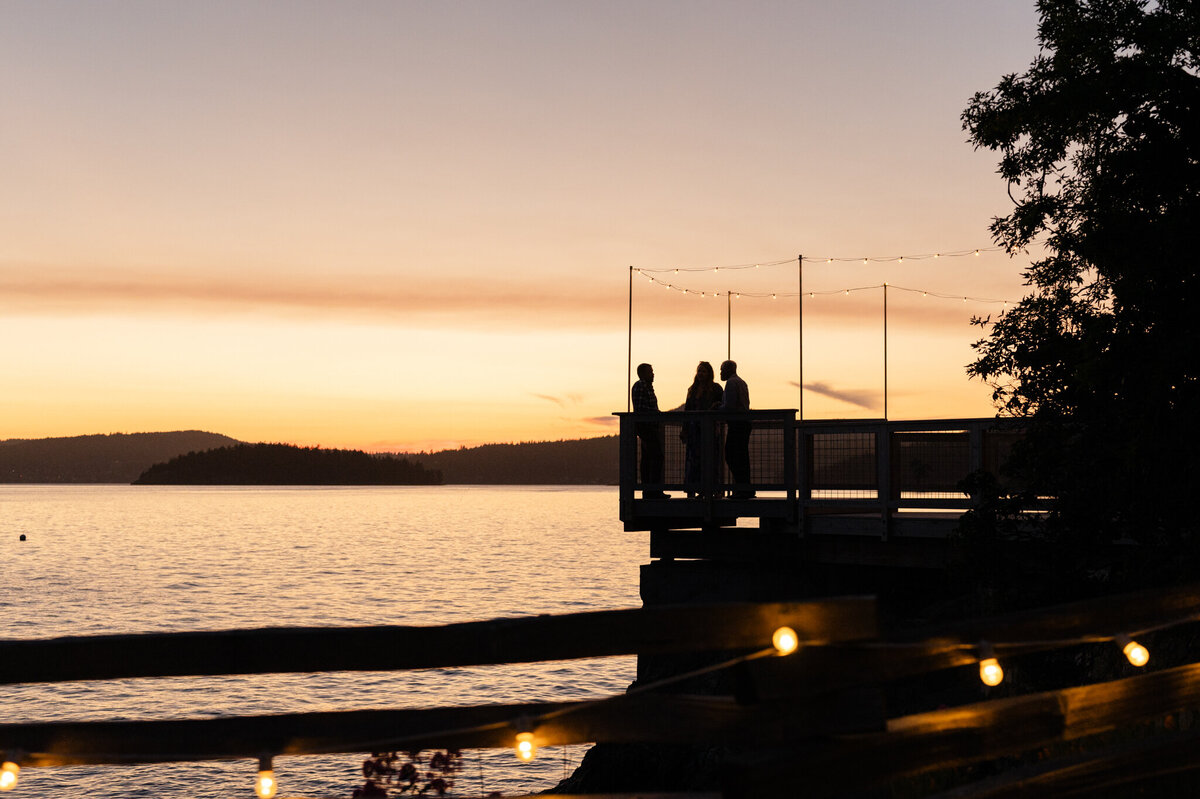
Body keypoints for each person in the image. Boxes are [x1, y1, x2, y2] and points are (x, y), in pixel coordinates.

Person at [683, 361, 722, 495]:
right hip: (694, 431)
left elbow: (721, 405)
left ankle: (712, 489)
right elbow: (687, 410)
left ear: (709, 373)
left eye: (703, 371)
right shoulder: (692, 390)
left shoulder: (716, 388)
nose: (700, 374)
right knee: (693, 460)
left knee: (711, 458)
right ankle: (693, 489)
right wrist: (685, 429)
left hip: (710, 430)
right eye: (699, 371)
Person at [631, 363, 667, 499]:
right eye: (650, 372)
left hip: (649, 427)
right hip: (646, 427)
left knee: (648, 459)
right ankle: (653, 491)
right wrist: (657, 414)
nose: (653, 374)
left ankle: (650, 490)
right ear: (643, 373)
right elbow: (641, 409)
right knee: (656, 457)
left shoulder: (646, 386)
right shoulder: (640, 386)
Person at [720, 360, 753, 498]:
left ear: (728, 370)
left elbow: (730, 407)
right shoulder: (742, 382)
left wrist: (717, 408)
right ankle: (746, 488)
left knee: (732, 455)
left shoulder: (731, 383)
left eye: (722, 369)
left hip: (737, 424)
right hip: (744, 423)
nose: (720, 372)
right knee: (742, 457)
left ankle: (741, 489)